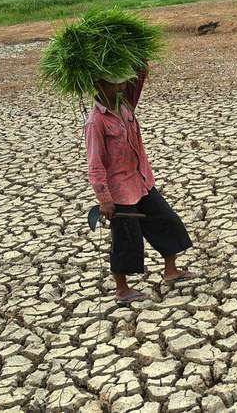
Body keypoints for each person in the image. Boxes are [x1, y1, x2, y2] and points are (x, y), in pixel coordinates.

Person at [85, 65, 194, 304]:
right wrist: (104, 200)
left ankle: (171, 271)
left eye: (123, 82)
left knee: (167, 221)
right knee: (126, 239)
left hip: (141, 181)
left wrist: (137, 57)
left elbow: (139, 76)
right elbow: (95, 165)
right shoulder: (96, 122)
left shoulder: (125, 104)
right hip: (120, 191)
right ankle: (122, 290)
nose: (122, 86)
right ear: (99, 85)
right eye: (115, 83)